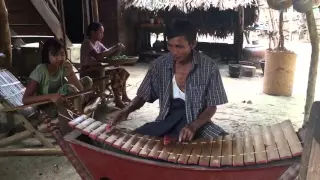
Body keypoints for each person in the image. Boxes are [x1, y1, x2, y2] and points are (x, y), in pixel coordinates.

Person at [110, 19, 228, 142]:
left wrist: (193, 126)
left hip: (197, 124)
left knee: (224, 144)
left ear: (192, 44)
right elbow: (143, 95)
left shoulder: (209, 67)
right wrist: (127, 110)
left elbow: (211, 107)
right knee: (134, 141)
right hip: (166, 122)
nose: (174, 52)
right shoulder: (159, 65)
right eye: (170, 46)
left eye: (179, 47)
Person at [22, 38, 93, 118]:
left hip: (62, 100)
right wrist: (51, 96)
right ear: (46, 55)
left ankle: (80, 106)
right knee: (69, 88)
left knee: (87, 80)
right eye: (55, 54)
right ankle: (79, 110)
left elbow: (80, 90)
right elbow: (25, 99)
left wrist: (71, 73)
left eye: (62, 54)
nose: (59, 58)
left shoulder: (63, 66)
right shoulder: (40, 71)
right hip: (48, 107)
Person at [80, 22, 131, 109]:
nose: (102, 35)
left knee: (122, 71)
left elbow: (109, 54)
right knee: (114, 73)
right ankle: (118, 100)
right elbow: (99, 56)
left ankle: (124, 96)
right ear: (93, 32)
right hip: (88, 72)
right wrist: (114, 48)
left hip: (99, 70)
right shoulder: (87, 43)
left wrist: (118, 49)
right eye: (100, 32)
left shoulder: (98, 44)